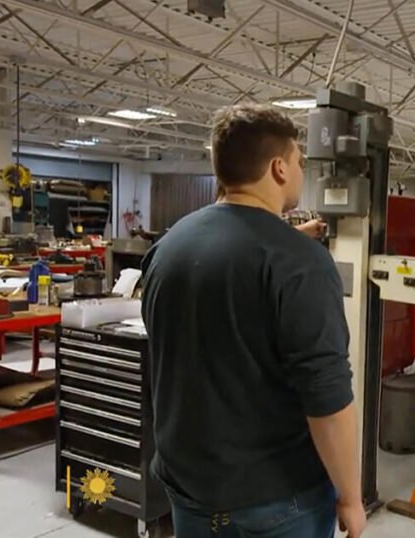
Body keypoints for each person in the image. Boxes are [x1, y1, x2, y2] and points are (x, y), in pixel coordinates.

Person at [141, 104, 366, 538]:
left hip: (188, 492)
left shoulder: (167, 250)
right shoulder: (301, 264)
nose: (302, 171)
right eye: (300, 161)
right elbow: (328, 400)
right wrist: (351, 498)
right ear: (279, 168)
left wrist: (286, 246)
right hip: (278, 504)